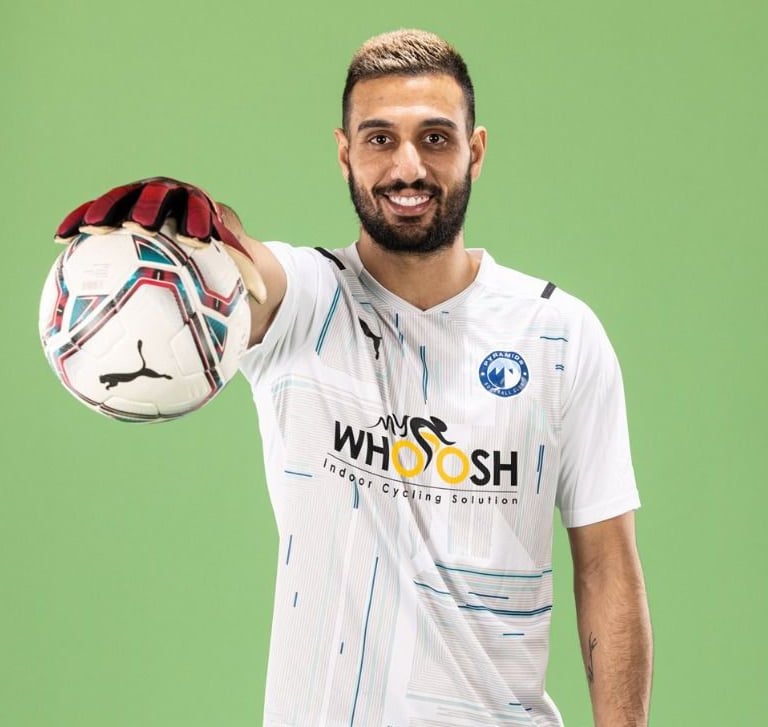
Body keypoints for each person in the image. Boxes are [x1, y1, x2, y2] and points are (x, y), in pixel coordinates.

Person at [56, 29, 652, 727]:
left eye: (435, 138)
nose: (408, 166)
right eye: (380, 139)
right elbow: (245, 269)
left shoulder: (558, 334)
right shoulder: (306, 300)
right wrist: (203, 226)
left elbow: (606, 568)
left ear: (476, 150)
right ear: (345, 153)